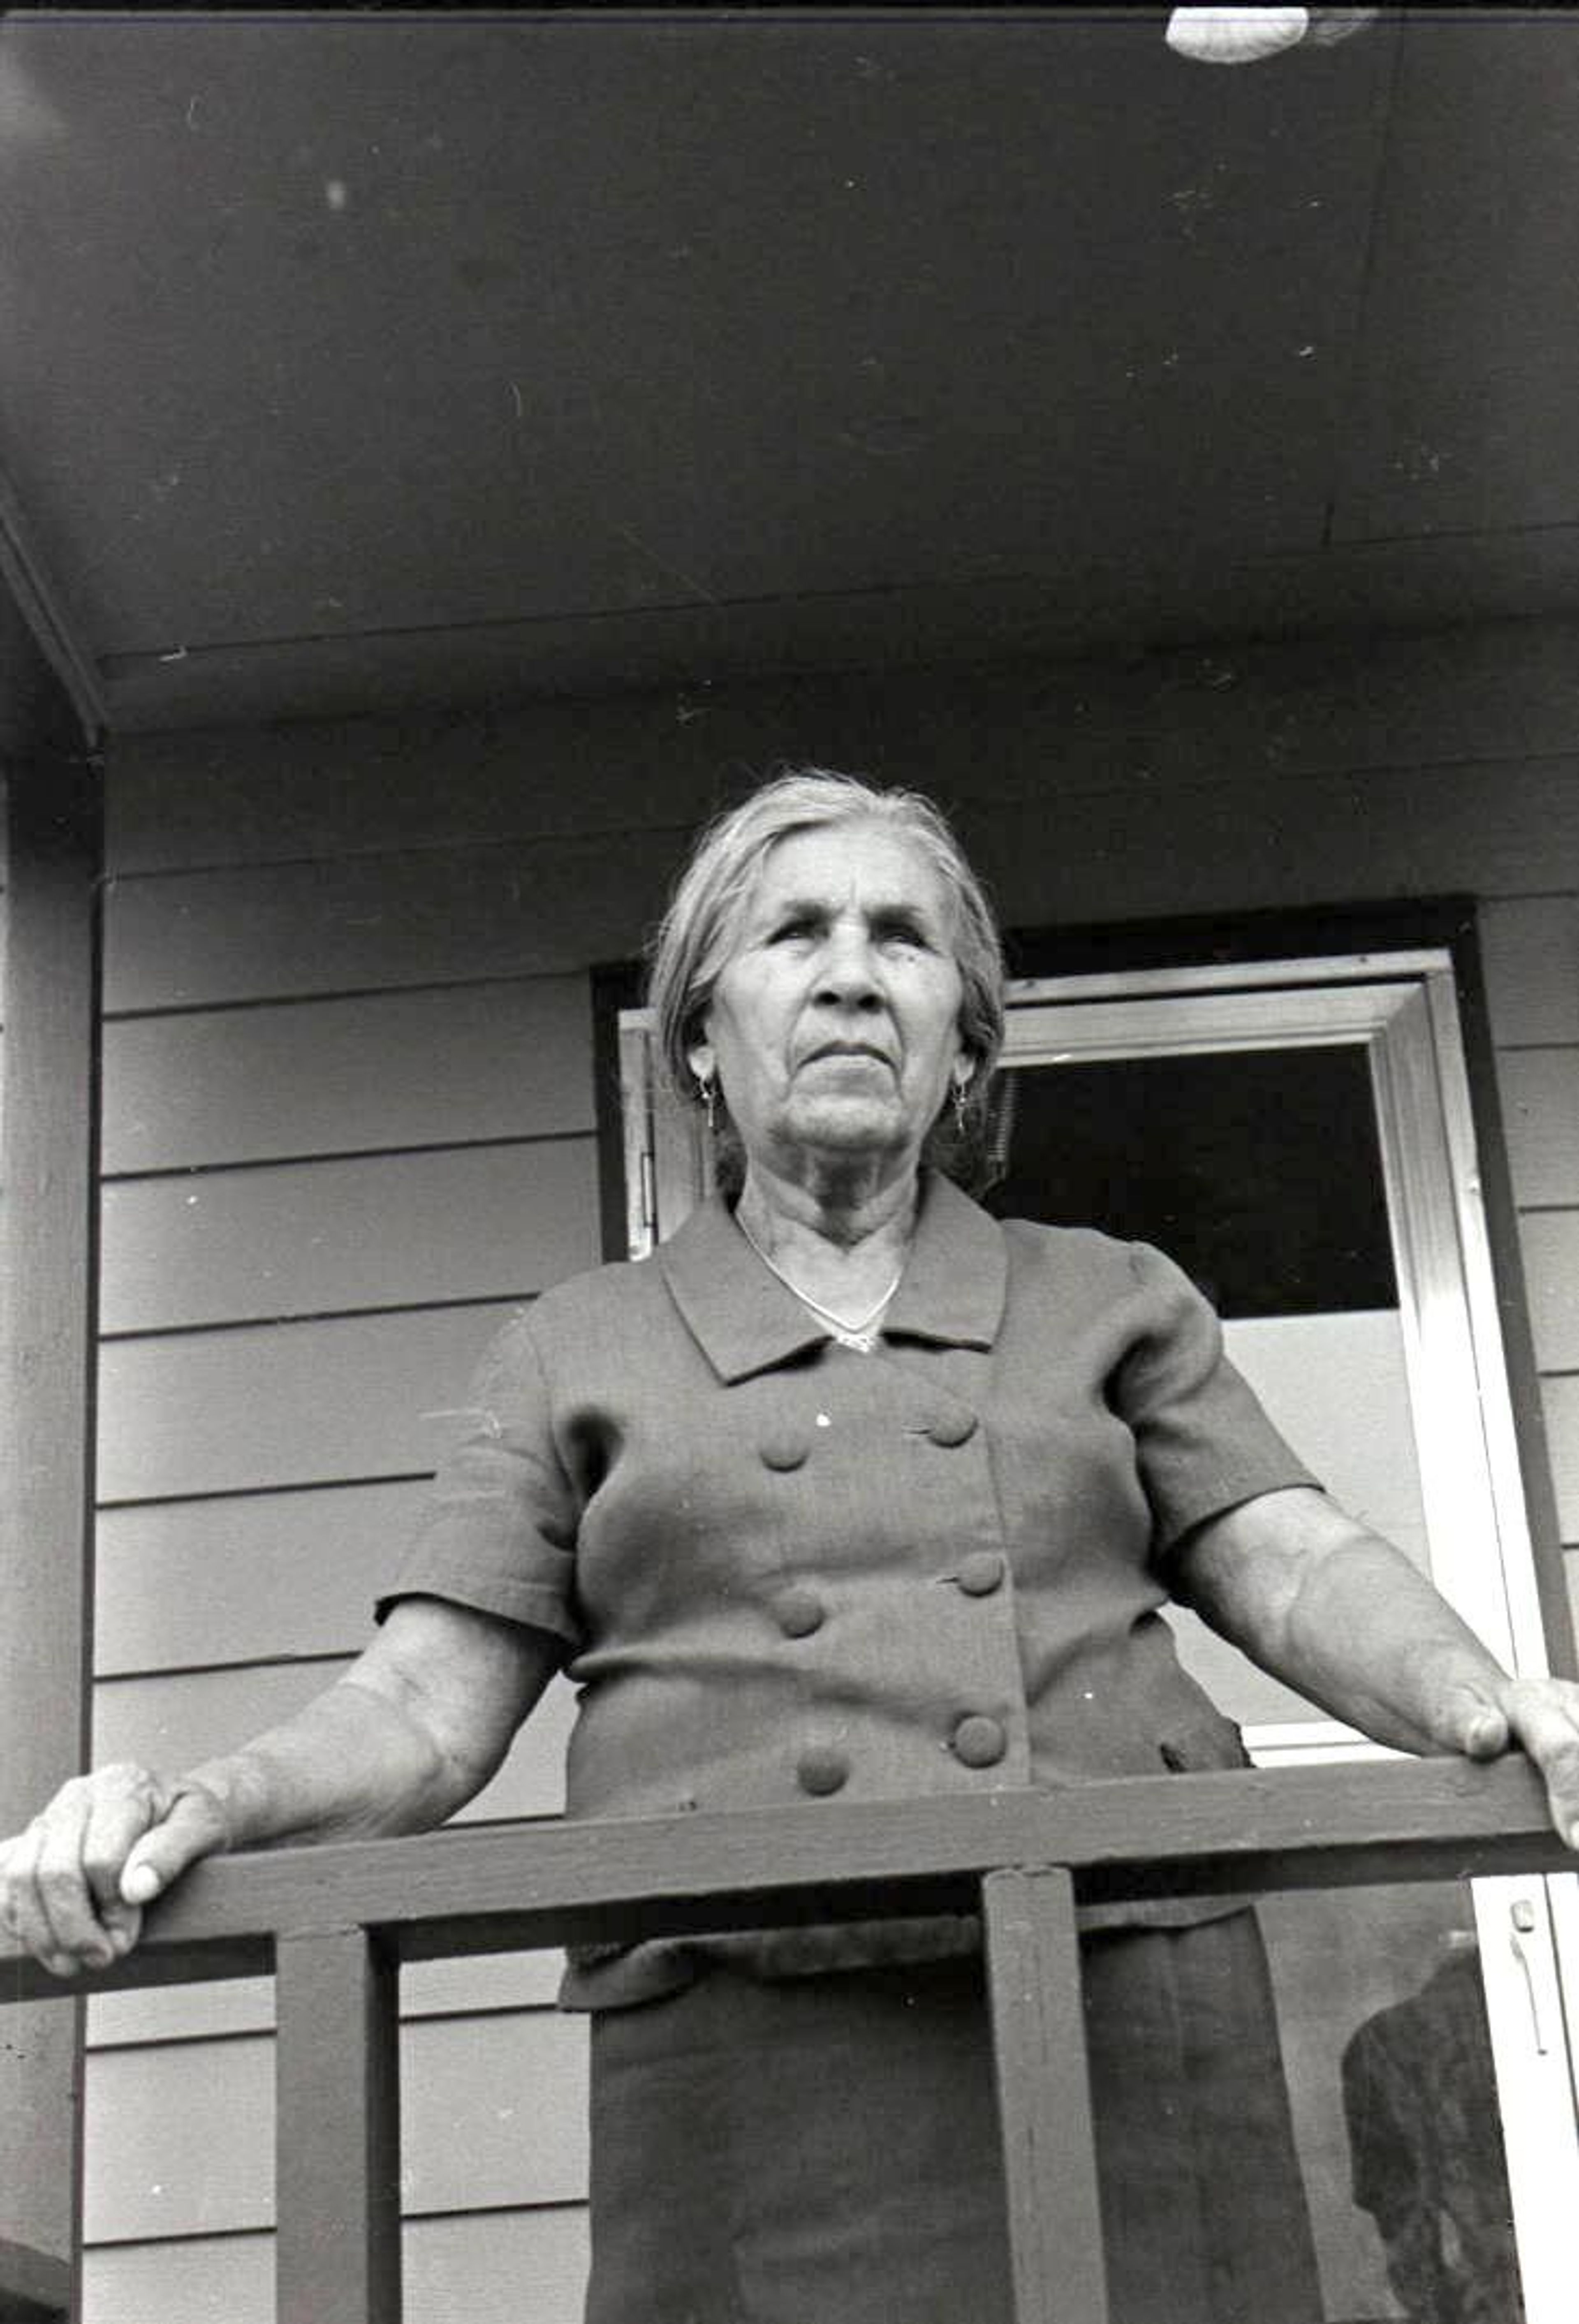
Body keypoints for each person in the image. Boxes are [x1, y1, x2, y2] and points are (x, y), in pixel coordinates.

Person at [4, 768, 1578, 2323]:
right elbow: (423, 1709)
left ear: (964, 1034)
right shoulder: (577, 1347)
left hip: (1121, 2016)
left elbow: (1291, 1560)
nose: (848, 974)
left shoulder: (1112, 1295)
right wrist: (211, 1800)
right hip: (750, 2052)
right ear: (700, 1030)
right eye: (793, 935)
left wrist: (1477, 1695)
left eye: (903, 938)